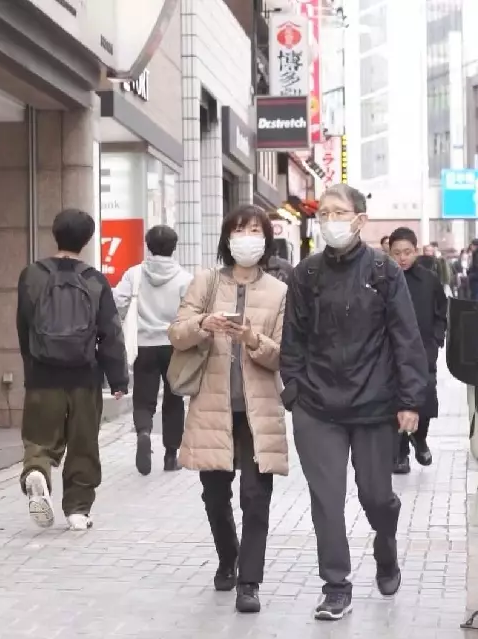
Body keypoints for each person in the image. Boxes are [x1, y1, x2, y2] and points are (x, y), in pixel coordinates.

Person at [280, 184, 429, 621]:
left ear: (360, 220)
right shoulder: (305, 274)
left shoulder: (384, 271)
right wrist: (294, 390)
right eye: (324, 213)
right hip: (316, 406)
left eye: (339, 213)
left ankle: (386, 544)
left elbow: (406, 338)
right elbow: (292, 341)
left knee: (375, 495)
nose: (330, 221)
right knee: (327, 499)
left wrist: (410, 400)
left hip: (373, 405)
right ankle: (335, 585)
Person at [168, 204, 288, 614]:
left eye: (255, 231)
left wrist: (252, 339)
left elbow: (282, 355)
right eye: (239, 231)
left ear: (266, 240)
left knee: (256, 497)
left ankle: (249, 582)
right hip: (212, 407)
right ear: (227, 238)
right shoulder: (205, 282)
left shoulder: (279, 291)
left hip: (258, 412)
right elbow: (177, 334)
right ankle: (228, 556)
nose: (246, 238)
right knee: (215, 494)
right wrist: (204, 324)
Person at [16, 208, 129, 531]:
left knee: (39, 438)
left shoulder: (32, 275)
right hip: (84, 376)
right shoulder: (94, 280)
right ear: (87, 240)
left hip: (43, 374)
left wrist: (31, 367)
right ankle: (78, 509)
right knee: (83, 444)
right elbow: (110, 333)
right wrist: (118, 379)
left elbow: (24, 327)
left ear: (55, 233)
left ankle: (37, 470)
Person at [113, 225, 193, 475]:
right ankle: (170, 456)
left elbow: (118, 302)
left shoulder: (134, 274)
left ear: (148, 246)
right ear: (174, 247)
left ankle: (144, 433)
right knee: (174, 399)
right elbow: (191, 313)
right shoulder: (184, 278)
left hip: (143, 345)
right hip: (174, 345)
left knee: (143, 397)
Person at [386, 228, 447, 475]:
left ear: (416, 251)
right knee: (396, 401)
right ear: (389, 253)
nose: (402, 258)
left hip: (424, 350)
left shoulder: (429, 280)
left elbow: (441, 311)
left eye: (407, 252)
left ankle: (420, 438)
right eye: (397, 253)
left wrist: (437, 337)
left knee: (426, 400)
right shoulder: (383, 279)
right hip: (391, 353)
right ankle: (400, 452)